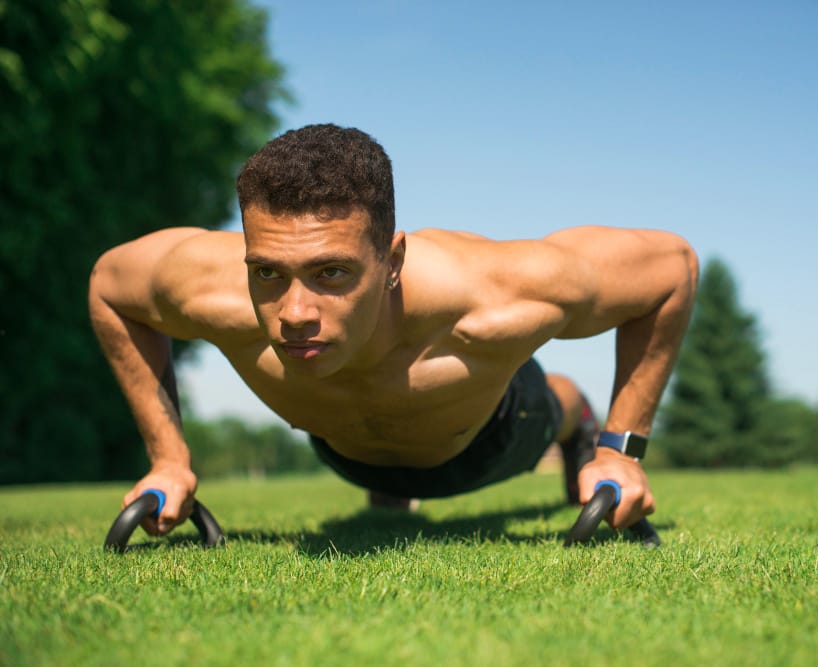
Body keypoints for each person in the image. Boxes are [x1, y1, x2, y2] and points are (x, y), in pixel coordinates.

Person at [89, 124, 698, 538]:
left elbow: (672, 269)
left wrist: (620, 451)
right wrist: (168, 459)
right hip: (347, 455)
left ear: (393, 261)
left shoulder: (498, 295)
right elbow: (110, 288)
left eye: (332, 272)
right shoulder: (208, 290)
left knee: (554, 400)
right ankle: (390, 490)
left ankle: (578, 423)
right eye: (268, 272)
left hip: (491, 438)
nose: (293, 312)